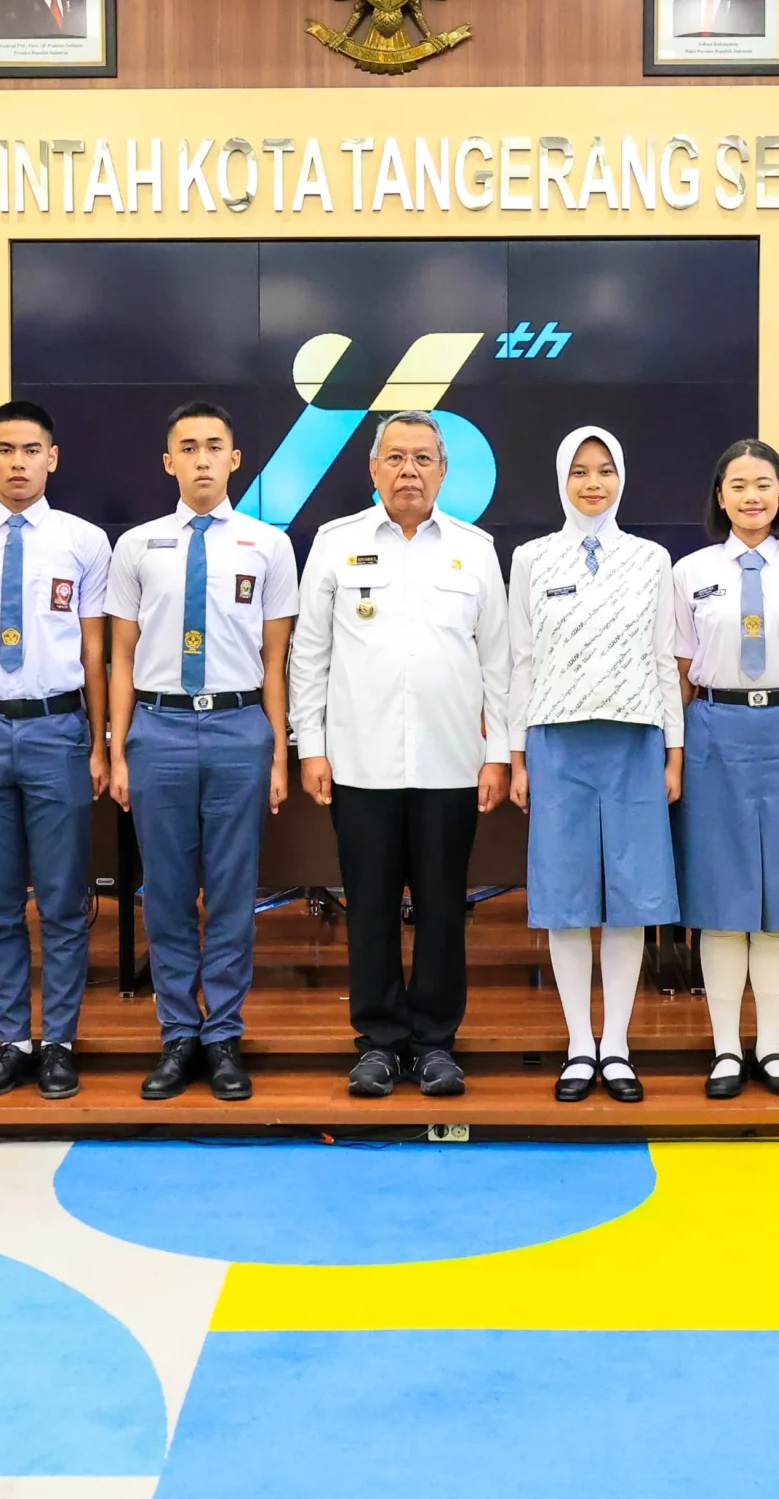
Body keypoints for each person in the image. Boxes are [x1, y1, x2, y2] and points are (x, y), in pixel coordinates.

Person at [289, 409, 509, 1100]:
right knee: (372, 906)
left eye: (423, 458)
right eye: (396, 458)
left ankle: (437, 1043)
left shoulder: (474, 549)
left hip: (451, 762)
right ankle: (380, 1043)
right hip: (360, 761)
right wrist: (311, 745)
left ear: (444, 471)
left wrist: (498, 753)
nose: (409, 470)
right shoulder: (334, 542)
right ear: (373, 469)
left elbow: (499, 661)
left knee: (444, 906)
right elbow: (310, 654)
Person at [107, 400, 299, 1103]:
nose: (202, 459)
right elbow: (120, 655)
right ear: (169, 462)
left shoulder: (268, 546)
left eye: (214, 446)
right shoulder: (136, 547)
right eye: (187, 447)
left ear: (235, 458)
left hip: (237, 727)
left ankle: (222, 1034)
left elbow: (276, 661)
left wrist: (277, 753)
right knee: (163, 889)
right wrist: (121, 749)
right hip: (157, 727)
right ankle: (176, 1033)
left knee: (229, 890)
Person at [0, 400, 111, 1100]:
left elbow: (95, 650)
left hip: (57, 730)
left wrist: (98, 744)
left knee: (65, 901)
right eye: (4, 449)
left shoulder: (84, 541)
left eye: (30, 449)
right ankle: (11, 1039)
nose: (17, 462)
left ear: (52, 458)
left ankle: (60, 1040)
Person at [507, 425, 683, 1105]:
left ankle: (619, 1046)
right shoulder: (532, 558)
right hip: (557, 742)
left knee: (633, 901)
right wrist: (517, 757)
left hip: (636, 741)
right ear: (561, 479)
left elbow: (665, 657)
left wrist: (673, 751)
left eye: (605, 469)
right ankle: (580, 1043)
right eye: (579, 470)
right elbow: (520, 660)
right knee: (567, 903)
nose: (593, 482)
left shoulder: (651, 558)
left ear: (622, 477)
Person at [671, 438, 779, 1102]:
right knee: (720, 900)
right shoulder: (690, 573)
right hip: (714, 731)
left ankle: (770, 1049)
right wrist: (676, 756)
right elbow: (681, 675)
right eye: (737, 484)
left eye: (763, 484)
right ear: (720, 497)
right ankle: (722, 1050)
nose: (751, 496)